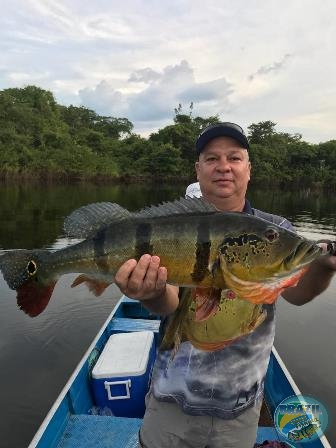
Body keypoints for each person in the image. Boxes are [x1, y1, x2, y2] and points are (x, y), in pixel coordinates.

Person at [115, 122, 336, 448]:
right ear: (198, 169)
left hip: (241, 406)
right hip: (170, 397)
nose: (223, 167)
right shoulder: (174, 226)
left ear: (249, 169)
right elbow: (170, 303)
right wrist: (151, 291)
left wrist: (323, 267)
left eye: (234, 157)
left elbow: (299, 295)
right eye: (212, 158)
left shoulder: (276, 230)